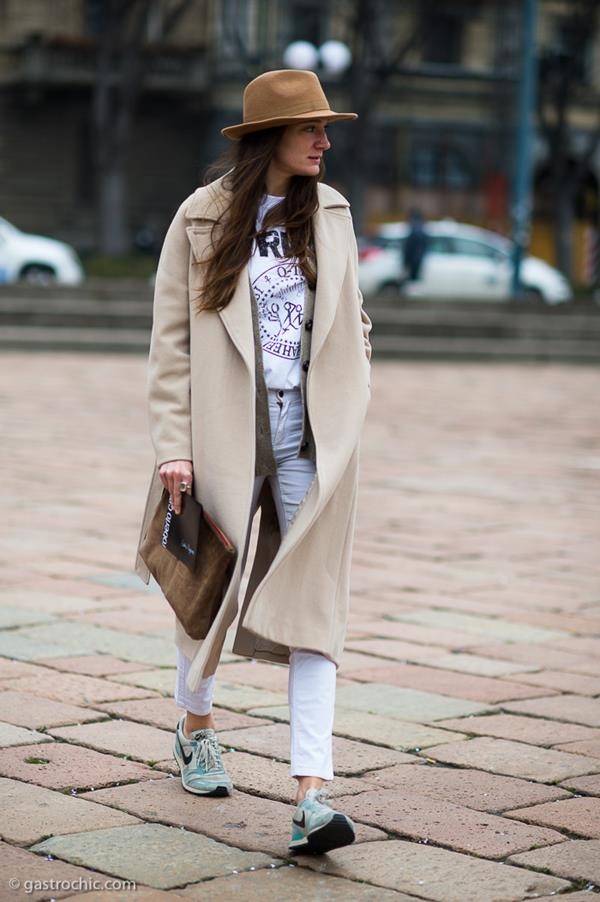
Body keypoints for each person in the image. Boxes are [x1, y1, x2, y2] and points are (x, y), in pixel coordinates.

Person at [135, 69, 372, 855]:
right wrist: (174, 444)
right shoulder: (202, 219)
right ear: (274, 137)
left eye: (326, 130)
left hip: (310, 436)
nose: (325, 142)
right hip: (223, 435)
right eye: (313, 130)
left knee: (316, 605)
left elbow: (352, 316)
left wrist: (356, 375)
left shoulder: (331, 214)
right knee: (208, 592)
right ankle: (196, 728)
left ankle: (312, 792)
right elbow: (171, 342)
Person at [403, 207, 428, 282]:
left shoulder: (414, 230)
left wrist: (405, 263)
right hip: (419, 260)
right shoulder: (422, 229)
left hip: (413, 262)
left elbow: (408, 249)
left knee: (411, 284)